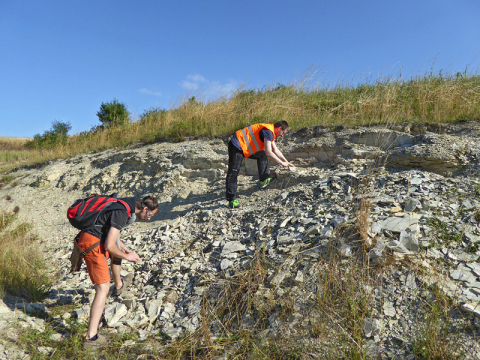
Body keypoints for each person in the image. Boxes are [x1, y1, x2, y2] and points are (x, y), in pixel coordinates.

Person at [78, 195, 159, 349]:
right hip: (92, 244)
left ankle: (92, 332)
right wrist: (128, 256)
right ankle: (90, 338)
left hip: (92, 239)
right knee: (103, 288)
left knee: (102, 287)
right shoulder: (123, 213)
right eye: (150, 215)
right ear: (145, 208)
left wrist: (122, 247)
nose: (148, 219)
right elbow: (109, 245)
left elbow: (110, 232)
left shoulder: (126, 204)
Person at [226, 120, 294, 208]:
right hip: (236, 146)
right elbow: (269, 153)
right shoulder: (268, 131)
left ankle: (263, 179)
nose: (282, 135)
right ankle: (231, 200)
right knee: (233, 171)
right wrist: (281, 163)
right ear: (279, 128)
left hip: (244, 147)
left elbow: (275, 150)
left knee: (262, 155)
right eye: (283, 132)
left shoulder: (270, 132)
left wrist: (287, 162)